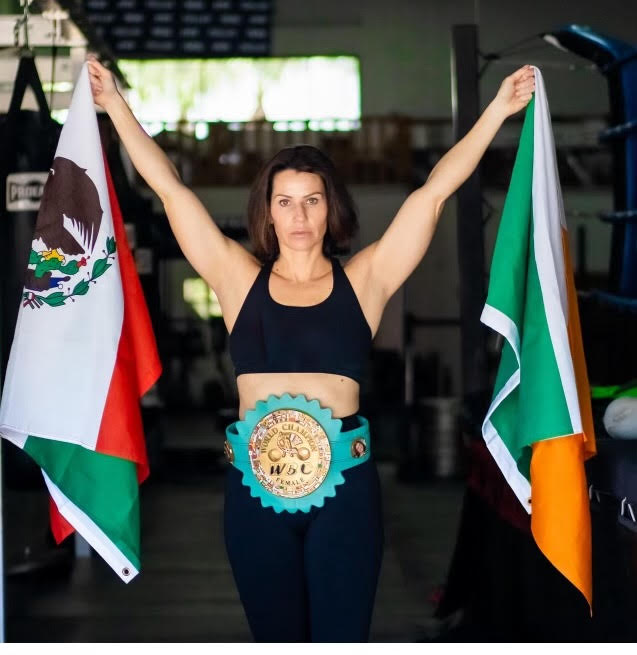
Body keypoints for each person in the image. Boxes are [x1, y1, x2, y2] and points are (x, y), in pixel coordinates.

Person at [86, 54, 535, 642]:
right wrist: (116, 104)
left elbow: (432, 195)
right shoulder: (235, 278)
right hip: (254, 490)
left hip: (345, 493)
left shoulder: (366, 280)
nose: (299, 215)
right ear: (267, 212)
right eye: (285, 201)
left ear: (331, 209)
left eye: (312, 200)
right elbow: (170, 190)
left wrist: (498, 109)